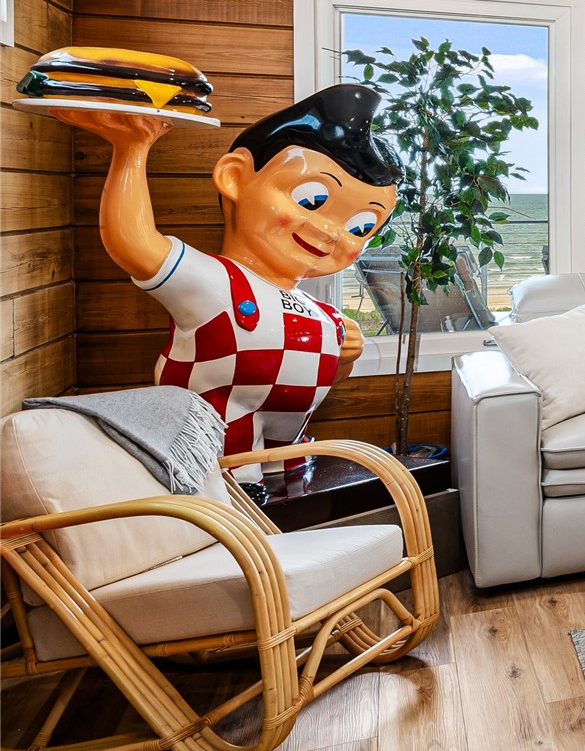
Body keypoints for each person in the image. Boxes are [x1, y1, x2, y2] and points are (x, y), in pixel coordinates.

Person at [62, 84, 401, 473]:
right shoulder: (214, 282)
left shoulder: (322, 313)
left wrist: (345, 352)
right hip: (216, 463)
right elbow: (134, 243)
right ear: (235, 177)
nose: (331, 232)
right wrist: (131, 150)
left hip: (291, 458)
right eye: (311, 200)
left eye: (360, 226)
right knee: (244, 500)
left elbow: (321, 376)